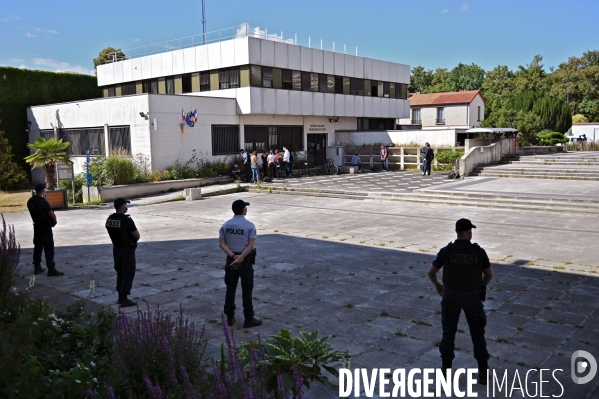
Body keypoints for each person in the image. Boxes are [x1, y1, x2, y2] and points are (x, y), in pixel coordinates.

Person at [427, 218, 493, 385]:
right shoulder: (479, 252)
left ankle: (446, 372)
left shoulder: (446, 251)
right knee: (478, 333)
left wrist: (437, 285)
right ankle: (483, 373)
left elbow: (431, 272)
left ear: (456, 232)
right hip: (472, 296)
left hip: (451, 296)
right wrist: (481, 286)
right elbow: (489, 274)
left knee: (448, 333)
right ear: (469, 232)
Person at [219, 199, 262, 328]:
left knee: (230, 288)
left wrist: (233, 256)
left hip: (231, 258)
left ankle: (230, 317)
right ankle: (249, 318)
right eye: (245, 207)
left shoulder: (226, 225)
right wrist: (241, 258)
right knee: (247, 289)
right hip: (245, 259)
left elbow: (221, 244)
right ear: (243, 210)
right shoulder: (249, 226)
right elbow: (251, 245)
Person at [105, 198, 140, 307]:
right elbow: (137, 236)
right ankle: (124, 298)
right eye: (125, 205)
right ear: (122, 207)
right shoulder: (127, 220)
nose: (126, 207)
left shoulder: (110, 220)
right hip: (127, 250)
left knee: (120, 272)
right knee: (128, 272)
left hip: (117, 249)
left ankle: (120, 295)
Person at [27, 183, 64, 277]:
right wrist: (54, 221)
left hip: (36, 226)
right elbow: (51, 214)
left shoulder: (30, 201)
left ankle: (37, 267)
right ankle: (51, 269)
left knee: (38, 247)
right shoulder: (43, 202)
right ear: (43, 191)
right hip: (45, 227)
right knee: (49, 248)